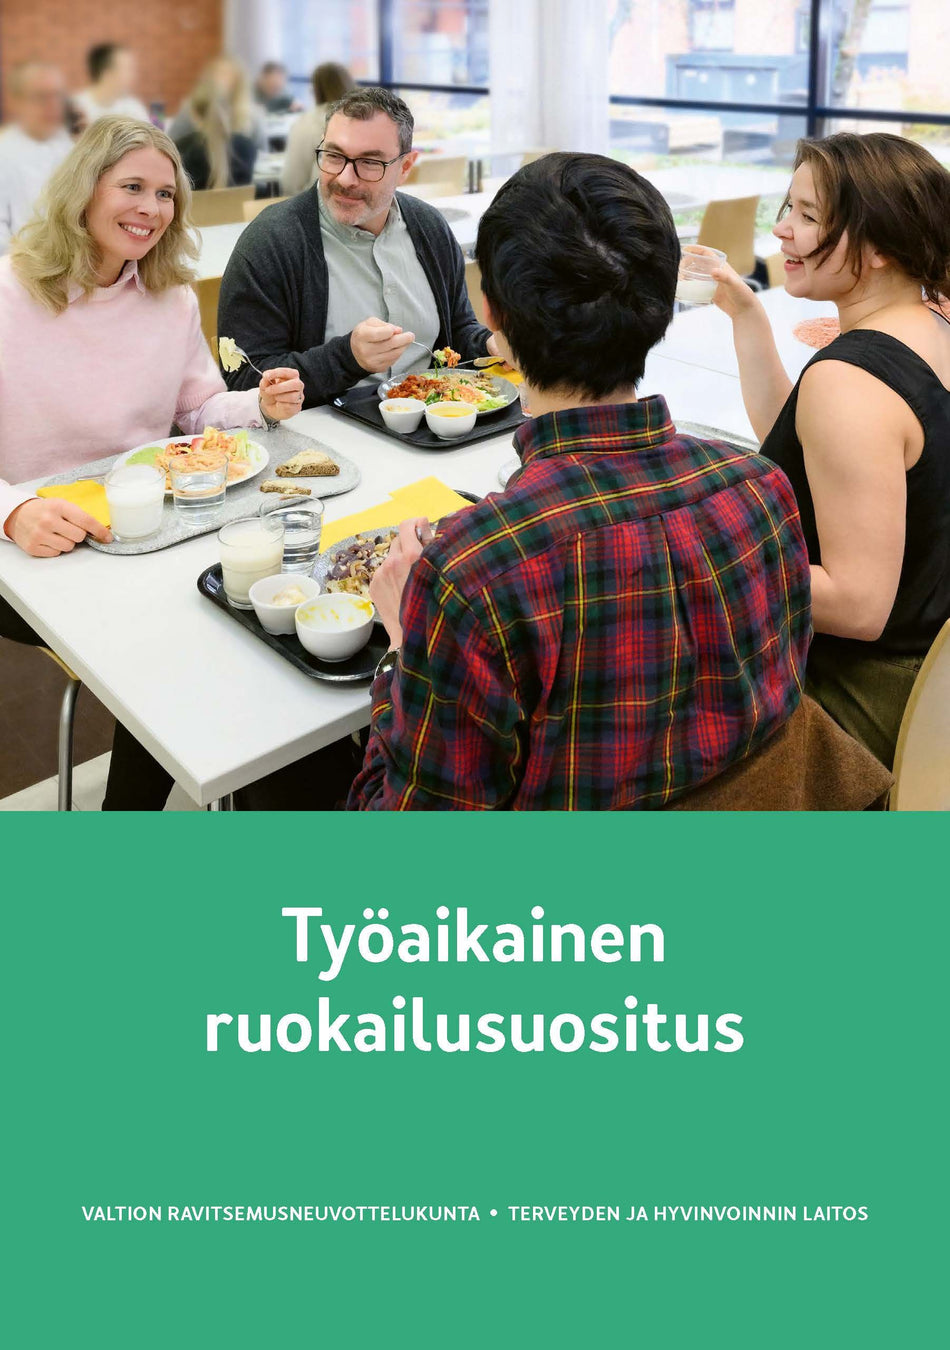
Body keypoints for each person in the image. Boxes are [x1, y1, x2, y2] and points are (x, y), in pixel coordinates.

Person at [348, 153, 812, 811]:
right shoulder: (763, 490)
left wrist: (402, 643)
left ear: (493, 317)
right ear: (664, 305)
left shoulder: (472, 575)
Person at [0, 116, 304, 808]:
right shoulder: (9, 294)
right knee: (193, 641)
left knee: (237, 617)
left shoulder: (168, 296)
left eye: (166, 195)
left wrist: (257, 404)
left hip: (148, 532)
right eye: (132, 187)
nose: (152, 209)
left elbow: (196, 409)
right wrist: (13, 512)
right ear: (84, 189)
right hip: (35, 552)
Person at [712, 132, 950, 768]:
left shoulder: (850, 380)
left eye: (809, 215)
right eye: (787, 207)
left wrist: (705, 558)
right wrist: (747, 316)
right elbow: (814, 451)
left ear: (879, 247)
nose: (782, 229)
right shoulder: (934, 321)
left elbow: (857, 603)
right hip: (931, 681)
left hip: (866, 700)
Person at [219, 86, 500, 409]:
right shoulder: (272, 242)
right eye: (334, 156)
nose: (345, 178)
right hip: (321, 433)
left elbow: (458, 330)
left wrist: (489, 345)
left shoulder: (429, 228)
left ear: (405, 167)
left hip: (432, 422)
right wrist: (348, 357)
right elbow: (244, 378)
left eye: (369, 162)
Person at [0, 62, 74, 254]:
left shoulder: (67, 145)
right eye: (41, 97)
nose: (52, 105)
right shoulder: (4, 153)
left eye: (57, 96)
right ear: (16, 102)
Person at [169, 58, 260, 191]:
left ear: (194, 112)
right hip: (241, 205)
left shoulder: (180, 149)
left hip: (194, 205)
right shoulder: (247, 146)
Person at [281, 62, 355, 196]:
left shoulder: (306, 123)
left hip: (316, 201)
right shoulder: (366, 122)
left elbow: (291, 182)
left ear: (316, 90)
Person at [73, 43, 148, 125]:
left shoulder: (133, 107)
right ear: (107, 73)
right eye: (128, 69)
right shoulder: (76, 107)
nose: (133, 75)